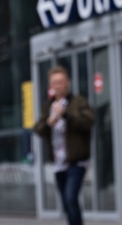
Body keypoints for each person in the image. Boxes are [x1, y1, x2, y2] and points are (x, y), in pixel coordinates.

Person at [34, 67, 94, 225]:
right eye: (54, 83)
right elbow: (38, 129)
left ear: (68, 83)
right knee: (67, 203)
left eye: (61, 82)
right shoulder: (48, 106)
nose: (58, 85)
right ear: (50, 86)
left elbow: (88, 122)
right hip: (59, 163)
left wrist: (65, 115)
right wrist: (49, 123)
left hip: (77, 161)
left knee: (71, 197)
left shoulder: (78, 102)